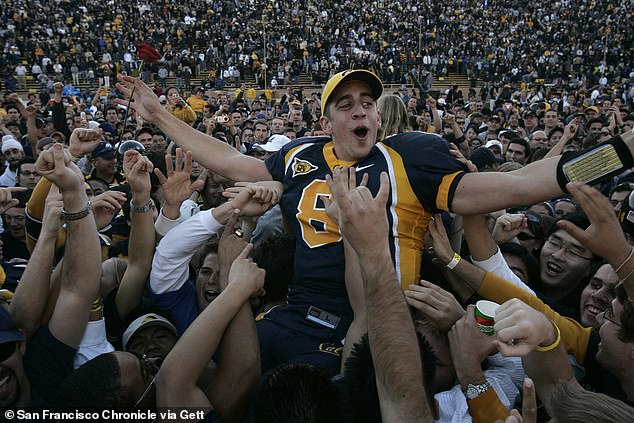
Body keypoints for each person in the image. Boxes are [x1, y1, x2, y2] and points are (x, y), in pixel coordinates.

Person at [115, 70, 634, 374]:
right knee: (232, 378)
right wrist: (160, 115)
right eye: (346, 104)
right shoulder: (300, 157)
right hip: (303, 311)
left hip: (393, 319)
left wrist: (618, 153)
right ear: (326, 122)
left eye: (368, 102)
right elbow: (229, 161)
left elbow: (526, 183)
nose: (360, 110)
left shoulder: (411, 158)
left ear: (378, 117)